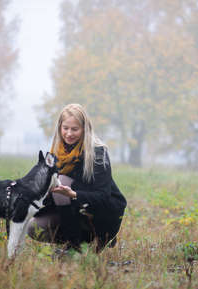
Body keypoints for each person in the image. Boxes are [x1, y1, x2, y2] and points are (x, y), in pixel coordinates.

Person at [27, 103, 126, 252]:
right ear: (60, 128)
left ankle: (90, 242)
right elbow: (51, 197)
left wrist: (73, 194)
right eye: (65, 128)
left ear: (85, 129)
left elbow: (103, 196)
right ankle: (74, 243)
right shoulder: (55, 154)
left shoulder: (98, 153)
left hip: (102, 213)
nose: (69, 134)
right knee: (33, 227)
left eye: (75, 129)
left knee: (63, 182)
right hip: (73, 213)